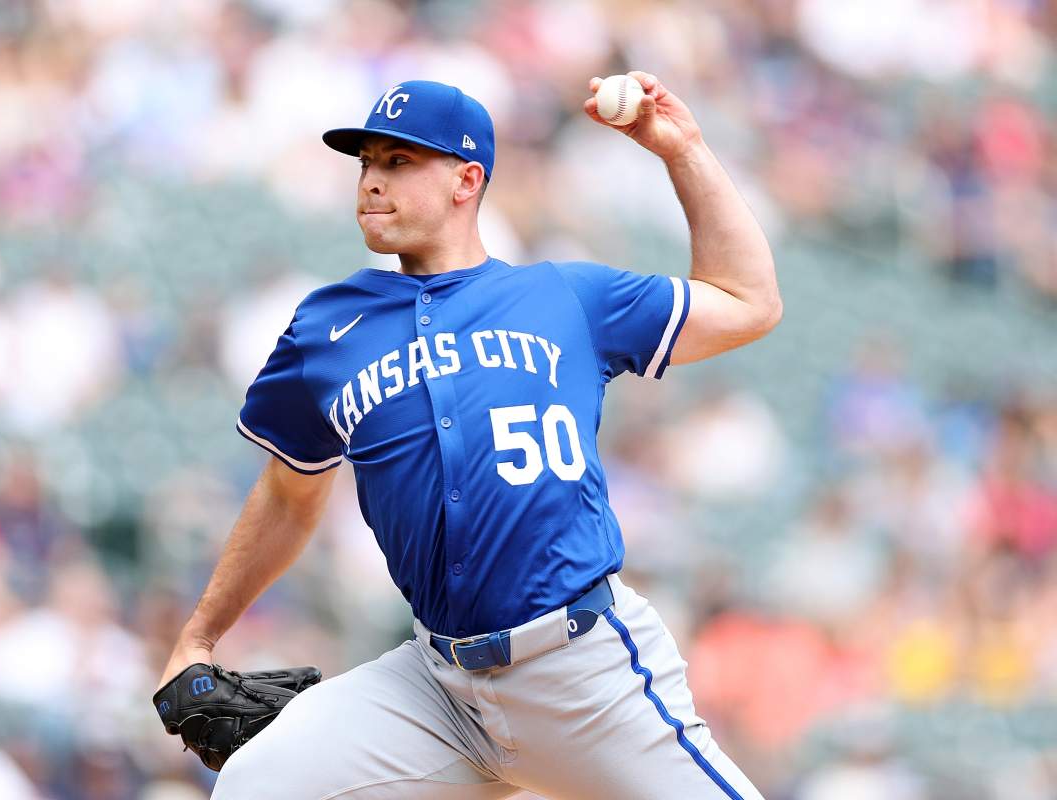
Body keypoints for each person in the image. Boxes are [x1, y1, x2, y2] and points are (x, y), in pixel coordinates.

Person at [158, 74, 781, 799]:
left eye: (400, 162)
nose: (372, 181)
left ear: (467, 179)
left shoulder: (563, 297)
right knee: (255, 785)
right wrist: (197, 637)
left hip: (582, 673)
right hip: (436, 690)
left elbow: (749, 302)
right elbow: (288, 493)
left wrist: (684, 150)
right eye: (366, 163)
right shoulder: (326, 329)